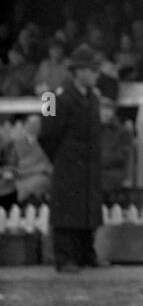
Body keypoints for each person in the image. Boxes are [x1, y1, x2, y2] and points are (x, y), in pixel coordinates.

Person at [37, 44, 104, 272]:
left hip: (89, 164)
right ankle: (65, 258)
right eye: (92, 70)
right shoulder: (52, 97)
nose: (96, 74)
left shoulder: (93, 98)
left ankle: (87, 255)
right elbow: (45, 134)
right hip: (67, 162)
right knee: (66, 210)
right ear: (79, 71)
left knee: (88, 208)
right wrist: (61, 157)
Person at [98, 96, 135, 207]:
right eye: (103, 109)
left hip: (114, 174)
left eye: (109, 109)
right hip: (96, 173)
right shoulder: (92, 130)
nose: (105, 113)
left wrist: (103, 159)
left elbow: (124, 155)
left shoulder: (122, 132)